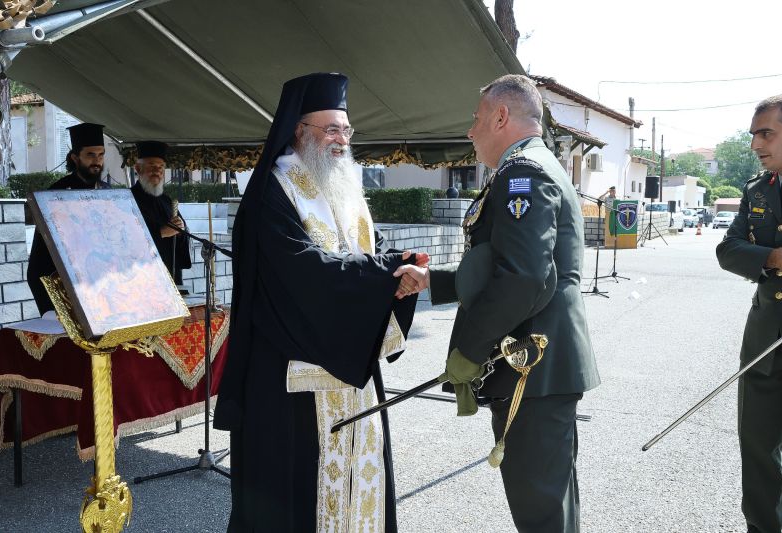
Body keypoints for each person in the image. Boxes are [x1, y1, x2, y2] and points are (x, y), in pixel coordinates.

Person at [213, 72, 427, 533]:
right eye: (330, 129)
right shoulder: (273, 191)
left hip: (352, 375)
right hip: (288, 381)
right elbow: (303, 272)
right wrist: (387, 275)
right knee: (295, 499)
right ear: (299, 129)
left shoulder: (346, 190)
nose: (340, 140)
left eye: (346, 130)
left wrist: (400, 278)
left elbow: (367, 256)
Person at [398, 74, 600, 532]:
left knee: (541, 512)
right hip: (544, 368)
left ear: (501, 116)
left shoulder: (522, 173)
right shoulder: (535, 165)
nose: (471, 132)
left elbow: (525, 278)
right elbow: (504, 266)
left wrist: (469, 351)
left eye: (476, 120)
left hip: (533, 367)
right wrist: (437, 281)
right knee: (551, 506)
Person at [716, 94, 782, 533]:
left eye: (767, 133)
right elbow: (729, 249)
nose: (757, 144)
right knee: (758, 449)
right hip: (766, 341)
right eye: (754, 134)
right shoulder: (757, 190)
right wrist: (774, 257)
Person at [27, 122, 111, 316]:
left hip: (99, 282)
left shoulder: (107, 192)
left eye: (101, 154)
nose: (97, 161)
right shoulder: (56, 194)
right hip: (61, 281)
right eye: (90, 155)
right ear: (75, 157)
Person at [130, 141, 191, 285]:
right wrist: (161, 233)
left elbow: (182, 236)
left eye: (161, 167)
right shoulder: (128, 200)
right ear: (138, 168)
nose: (157, 171)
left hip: (170, 274)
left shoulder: (167, 201)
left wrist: (181, 229)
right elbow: (126, 239)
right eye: (152, 166)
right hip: (141, 277)